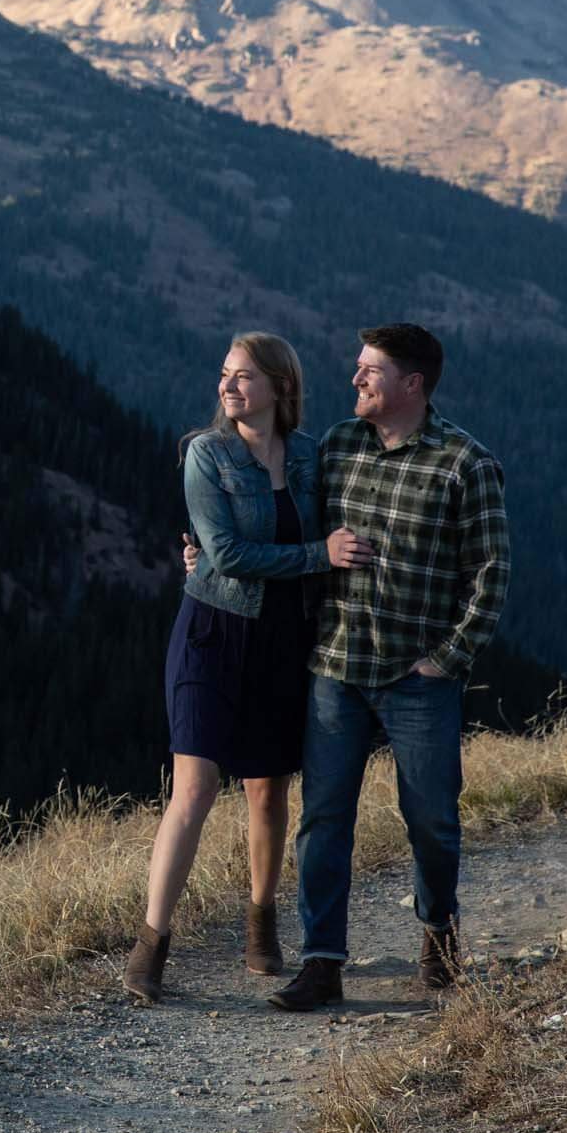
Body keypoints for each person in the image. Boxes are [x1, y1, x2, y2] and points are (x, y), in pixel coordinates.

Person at [265, 323, 510, 1012]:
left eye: (370, 370)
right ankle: (322, 962)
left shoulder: (466, 463)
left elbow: (490, 574)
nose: (355, 380)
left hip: (417, 676)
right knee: (323, 816)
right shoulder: (339, 445)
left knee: (431, 817)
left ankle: (437, 929)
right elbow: (280, 509)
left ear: (412, 383)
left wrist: (449, 659)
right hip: (336, 665)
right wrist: (209, 547)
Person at [122, 331, 359, 1005]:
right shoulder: (207, 453)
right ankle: (152, 941)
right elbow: (224, 553)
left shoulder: (313, 456)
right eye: (226, 374)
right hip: (211, 634)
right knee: (193, 789)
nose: (229, 386)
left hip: (285, 641)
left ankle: (260, 919)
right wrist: (320, 555)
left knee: (267, 791)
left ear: (282, 388)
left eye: (245, 376)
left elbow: (352, 510)